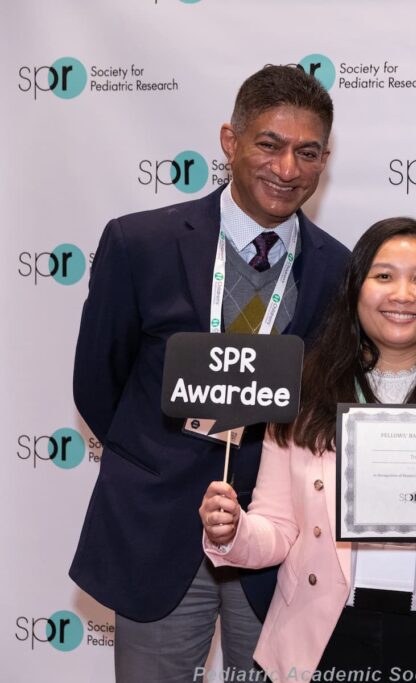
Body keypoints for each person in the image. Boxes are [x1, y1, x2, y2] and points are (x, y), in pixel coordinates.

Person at [70, 65, 350, 682]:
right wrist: (163, 454)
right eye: (269, 145)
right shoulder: (140, 243)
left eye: (307, 153)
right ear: (230, 140)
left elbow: (325, 406)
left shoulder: (340, 270)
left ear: (325, 159)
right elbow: (98, 383)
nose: (286, 169)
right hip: (156, 530)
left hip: (278, 543)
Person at [199, 217, 416, 680]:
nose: (402, 294)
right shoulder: (304, 394)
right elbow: (277, 529)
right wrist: (232, 531)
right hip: (319, 633)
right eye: (383, 276)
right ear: (355, 291)